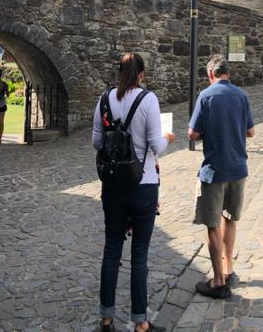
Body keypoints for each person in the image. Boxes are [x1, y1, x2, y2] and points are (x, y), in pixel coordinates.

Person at [93, 52, 173, 332]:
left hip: (113, 186)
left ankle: (106, 318)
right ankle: (140, 323)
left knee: (111, 250)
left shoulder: (104, 99)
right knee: (139, 255)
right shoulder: (147, 99)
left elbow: (96, 141)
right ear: (141, 74)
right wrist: (167, 137)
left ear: (119, 72)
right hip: (143, 184)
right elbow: (155, 145)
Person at [188, 54, 255, 300]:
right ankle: (228, 269)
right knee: (231, 218)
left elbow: (193, 134)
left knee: (212, 224)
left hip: (214, 170)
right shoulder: (242, 96)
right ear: (228, 74)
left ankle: (217, 282)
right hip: (238, 169)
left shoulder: (205, 96)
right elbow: (251, 131)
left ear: (210, 75)